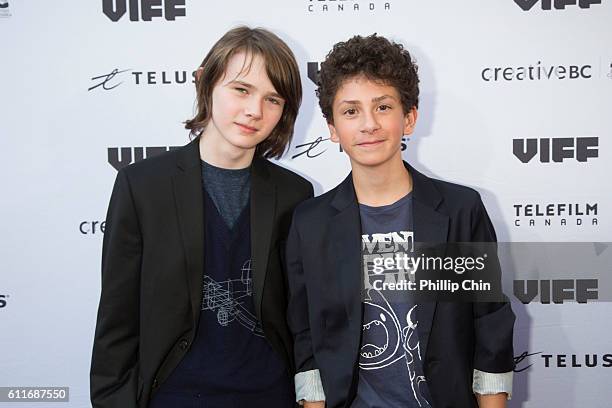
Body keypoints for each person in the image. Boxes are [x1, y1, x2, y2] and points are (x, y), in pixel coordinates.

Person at [286, 34, 515, 408]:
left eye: (383, 107)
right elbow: (307, 335)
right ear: (331, 128)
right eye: (350, 111)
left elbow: (489, 325)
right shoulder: (310, 224)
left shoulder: (460, 210)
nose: (368, 125)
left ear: (409, 117)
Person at [91, 26, 313, 408]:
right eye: (241, 90)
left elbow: (303, 314)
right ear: (205, 82)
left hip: (269, 395)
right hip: (173, 396)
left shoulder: (295, 194)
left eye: (273, 99)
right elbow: (117, 318)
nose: (254, 111)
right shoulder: (142, 186)